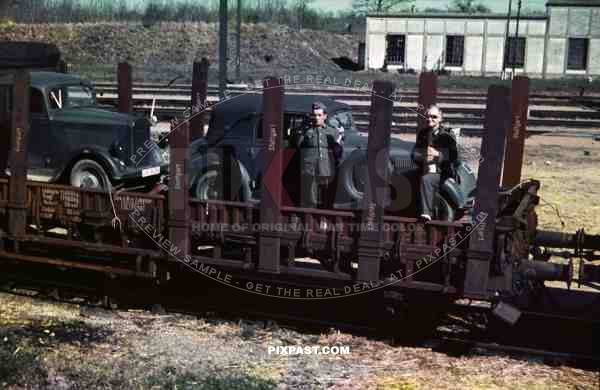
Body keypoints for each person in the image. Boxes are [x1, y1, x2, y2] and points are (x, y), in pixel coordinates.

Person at [411, 105, 459, 221]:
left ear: (440, 119)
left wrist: (438, 154)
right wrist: (423, 156)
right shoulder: (423, 133)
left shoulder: (447, 135)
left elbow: (454, 156)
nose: (430, 119)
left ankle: (427, 213)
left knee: (426, 179)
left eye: (434, 116)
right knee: (408, 176)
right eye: (428, 116)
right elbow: (414, 154)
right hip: (425, 167)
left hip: (442, 172)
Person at [296, 101, 343, 208]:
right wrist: (302, 130)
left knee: (326, 196)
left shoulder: (332, 132)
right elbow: (298, 145)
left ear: (325, 116)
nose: (316, 118)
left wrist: (339, 140)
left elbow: (337, 151)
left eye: (319, 115)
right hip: (310, 169)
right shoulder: (305, 131)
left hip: (325, 168)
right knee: (310, 198)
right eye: (314, 115)